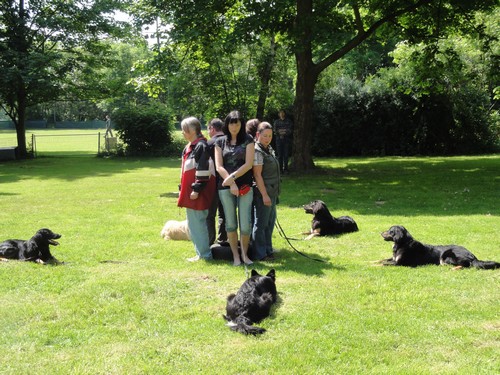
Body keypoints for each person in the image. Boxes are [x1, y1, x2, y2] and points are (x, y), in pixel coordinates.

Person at [214, 110, 255, 266]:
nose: (234, 126)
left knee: (245, 225)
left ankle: (245, 255)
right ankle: (236, 257)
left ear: (241, 124)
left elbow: (248, 164)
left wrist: (233, 178)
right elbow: (219, 166)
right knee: (230, 224)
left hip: (245, 186)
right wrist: (231, 183)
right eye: (231, 123)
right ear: (227, 124)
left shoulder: (248, 140)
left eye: (237, 123)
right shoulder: (220, 142)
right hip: (225, 187)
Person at [177, 117, 216, 262]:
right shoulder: (191, 146)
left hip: (197, 193)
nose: (182, 133)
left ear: (192, 130)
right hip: (191, 192)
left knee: (198, 223)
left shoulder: (200, 146)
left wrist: (197, 189)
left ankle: (204, 254)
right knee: (194, 223)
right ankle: (201, 253)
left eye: (184, 130)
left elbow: (203, 169)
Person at [251, 122, 281, 261]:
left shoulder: (268, 148)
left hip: (273, 192)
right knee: (261, 224)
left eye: (270, 136)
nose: (267, 138)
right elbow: (257, 175)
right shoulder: (257, 151)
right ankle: (260, 254)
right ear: (258, 135)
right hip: (264, 193)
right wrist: (264, 195)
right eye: (264, 136)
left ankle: (268, 250)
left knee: (270, 222)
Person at [206, 118, 227, 245]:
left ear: (212, 129)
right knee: (224, 214)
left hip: (212, 183)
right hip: (226, 182)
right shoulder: (228, 142)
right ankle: (223, 239)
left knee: (210, 214)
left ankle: (210, 240)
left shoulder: (209, 143)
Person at [273, 109, 293, 173]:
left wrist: (283, 132)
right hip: (278, 140)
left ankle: (286, 169)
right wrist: (282, 132)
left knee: (286, 155)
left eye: (282, 113)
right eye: (280, 113)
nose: (281, 114)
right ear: (279, 114)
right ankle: (280, 169)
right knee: (279, 155)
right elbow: (275, 130)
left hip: (286, 139)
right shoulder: (276, 122)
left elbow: (289, 130)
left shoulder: (288, 121)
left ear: (284, 114)